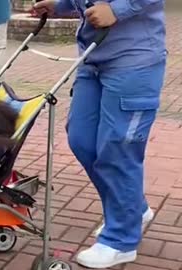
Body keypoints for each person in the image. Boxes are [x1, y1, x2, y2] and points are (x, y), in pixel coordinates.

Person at [33, 0, 166, 268]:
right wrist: (60, 6)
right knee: (81, 140)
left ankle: (121, 241)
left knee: (117, 150)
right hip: (92, 59)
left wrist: (118, 9)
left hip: (134, 60)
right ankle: (133, 209)